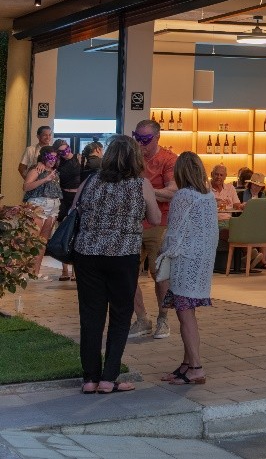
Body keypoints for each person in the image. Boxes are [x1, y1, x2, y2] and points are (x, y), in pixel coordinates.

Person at [72, 134, 161, 394]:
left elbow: (73, 211)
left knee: (90, 315)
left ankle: (89, 379)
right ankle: (109, 378)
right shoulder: (141, 185)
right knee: (121, 315)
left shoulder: (90, 181)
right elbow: (155, 219)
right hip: (123, 255)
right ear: (135, 158)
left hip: (87, 254)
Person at [155, 152, 218, 386]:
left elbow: (175, 230)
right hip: (202, 263)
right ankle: (186, 365)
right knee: (188, 313)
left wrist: (163, 254)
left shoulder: (183, 196)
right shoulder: (208, 195)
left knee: (185, 315)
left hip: (185, 261)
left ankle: (196, 367)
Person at [129, 119, 177, 341]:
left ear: (157, 137)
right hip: (132, 222)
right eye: (136, 137)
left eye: (145, 139)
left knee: (159, 274)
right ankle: (141, 319)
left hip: (160, 222)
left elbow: (173, 191)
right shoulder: (131, 157)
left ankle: (163, 319)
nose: (140, 144)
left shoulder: (168, 159)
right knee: (126, 273)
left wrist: (145, 191)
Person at [22, 145, 62, 278]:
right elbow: (26, 186)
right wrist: (44, 179)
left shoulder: (55, 171)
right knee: (32, 239)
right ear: (44, 157)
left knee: (43, 241)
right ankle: (25, 271)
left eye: (55, 158)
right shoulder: (37, 169)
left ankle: (36, 272)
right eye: (50, 157)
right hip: (38, 204)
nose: (52, 160)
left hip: (53, 206)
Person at [54, 141, 83, 281]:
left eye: (66, 150)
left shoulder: (80, 158)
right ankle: (64, 269)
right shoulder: (58, 163)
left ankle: (76, 270)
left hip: (78, 197)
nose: (64, 153)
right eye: (61, 152)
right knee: (63, 231)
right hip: (64, 197)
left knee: (78, 231)